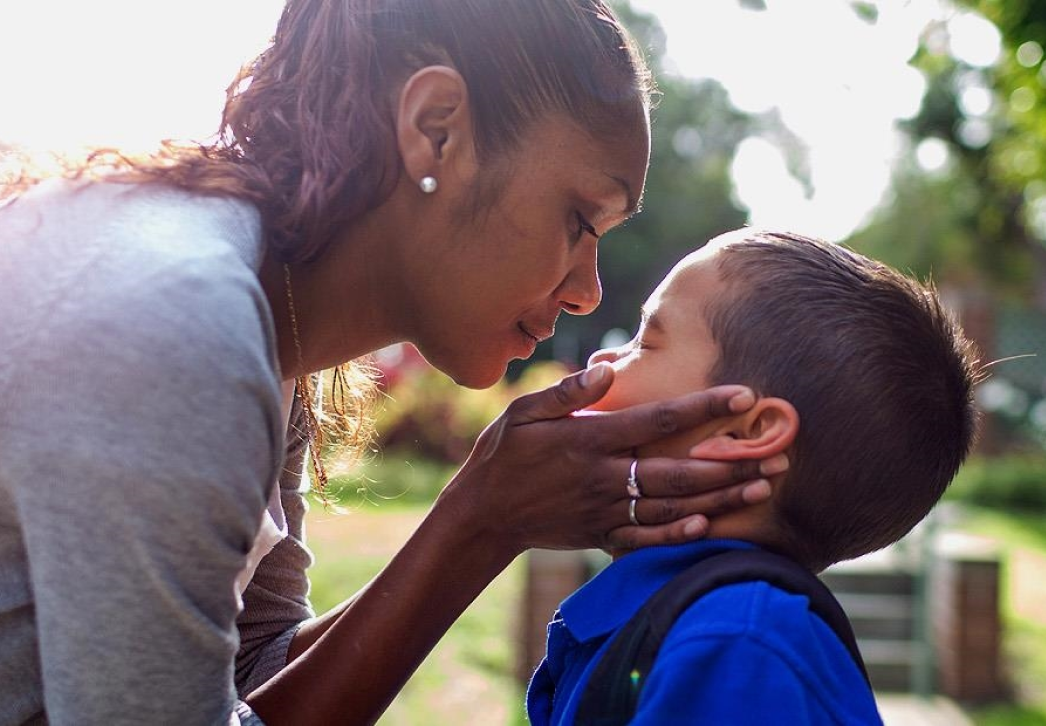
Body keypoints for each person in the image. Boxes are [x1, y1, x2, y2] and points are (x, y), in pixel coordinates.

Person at [0, 2, 782, 724]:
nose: (587, 293)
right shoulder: (178, 322)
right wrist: (478, 522)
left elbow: (252, 673)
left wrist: (485, 519)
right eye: (580, 219)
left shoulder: (273, 329)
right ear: (435, 128)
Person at [526, 229, 982, 725]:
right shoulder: (701, 626)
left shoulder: (738, 648)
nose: (602, 359)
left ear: (748, 430)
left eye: (647, 340)